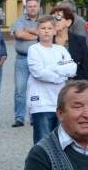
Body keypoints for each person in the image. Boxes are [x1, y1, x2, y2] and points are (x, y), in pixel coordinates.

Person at [27, 15, 78, 143]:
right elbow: (38, 72)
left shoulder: (60, 50)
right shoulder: (34, 50)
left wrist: (52, 69)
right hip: (41, 103)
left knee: (60, 141)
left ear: (55, 31)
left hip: (58, 102)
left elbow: (72, 68)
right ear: (38, 30)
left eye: (50, 28)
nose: (46, 31)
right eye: (43, 28)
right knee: (43, 141)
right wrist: (60, 77)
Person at [10, 0, 42, 127]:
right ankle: (19, 118)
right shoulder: (20, 20)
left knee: (37, 89)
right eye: (30, 6)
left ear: (38, 7)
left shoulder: (44, 20)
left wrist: (28, 31)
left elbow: (47, 36)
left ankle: (35, 117)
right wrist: (37, 35)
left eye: (35, 6)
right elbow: (19, 35)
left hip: (39, 60)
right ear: (26, 8)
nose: (32, 8)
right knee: (20, 90)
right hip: (22, 59)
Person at [49, 4, 88, 81]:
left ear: (68, 22)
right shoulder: (46, 40)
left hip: (73, 85)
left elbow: (84, 67)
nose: (54, 21)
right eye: (52, 18)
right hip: (51, 85)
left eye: (58, 18)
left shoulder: (80, 40)